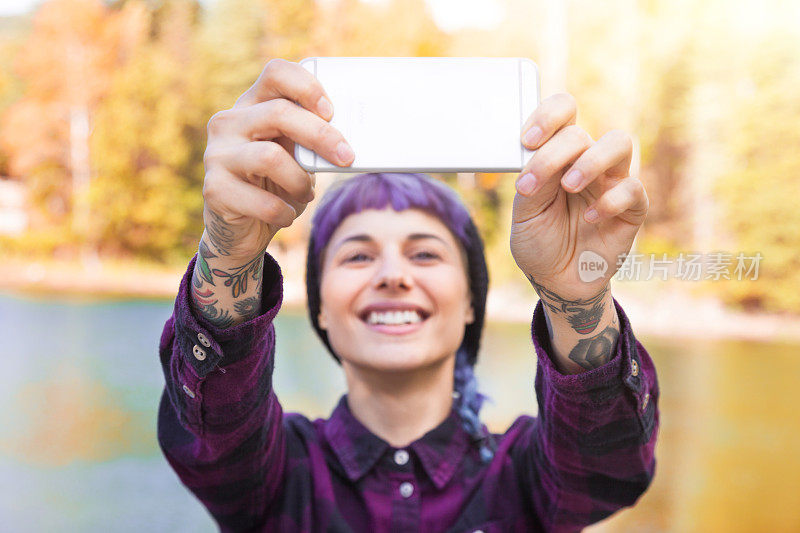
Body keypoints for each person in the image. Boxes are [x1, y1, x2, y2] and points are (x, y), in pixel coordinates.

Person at [157, 59, 659, 532]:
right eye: (358, 256)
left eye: (424, 255)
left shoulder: (526, 479)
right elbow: (211, 433)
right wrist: (228, 256)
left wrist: (574, 295)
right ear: (321, 307)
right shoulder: (275, 477)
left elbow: (607, 466)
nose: (393, 275)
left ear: (469, 301)